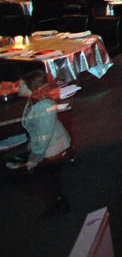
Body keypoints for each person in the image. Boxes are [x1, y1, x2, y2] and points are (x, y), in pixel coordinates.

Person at [5, 70, 75, 217]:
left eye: (21, 84)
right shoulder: (33, 101)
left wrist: (34, 158)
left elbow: (44, 137)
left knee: (24, 178)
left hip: (53, 147)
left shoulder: (43, 106)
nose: (18, 87)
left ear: (34, 88)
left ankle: (57, 201)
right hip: (45, 145)